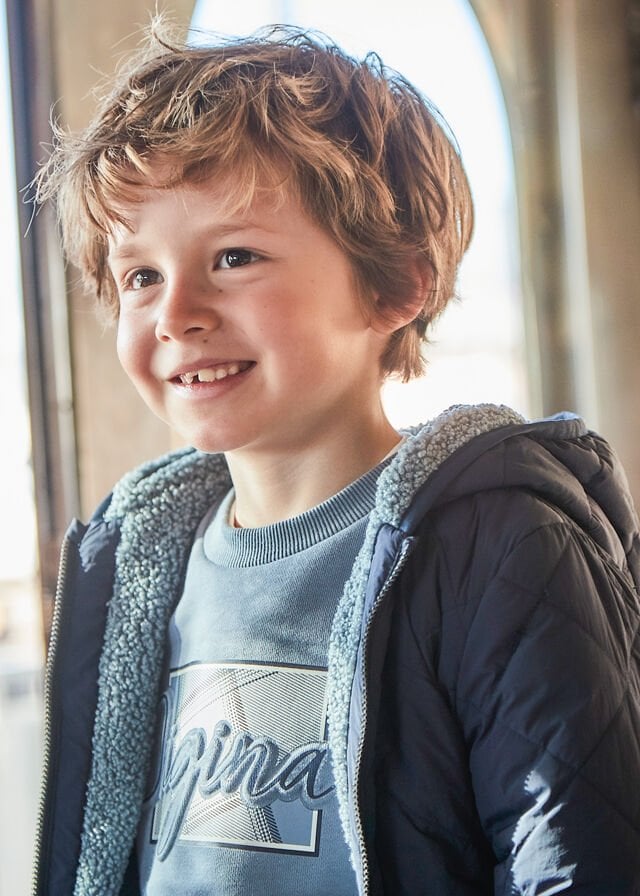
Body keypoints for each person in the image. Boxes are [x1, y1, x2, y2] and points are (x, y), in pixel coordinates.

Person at [31, 22, 640, 896]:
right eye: (141, 276)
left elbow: (575, 861)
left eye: (234, 257)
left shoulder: (501, 545)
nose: (176, 314)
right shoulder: (136, 567)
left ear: (396, 284)